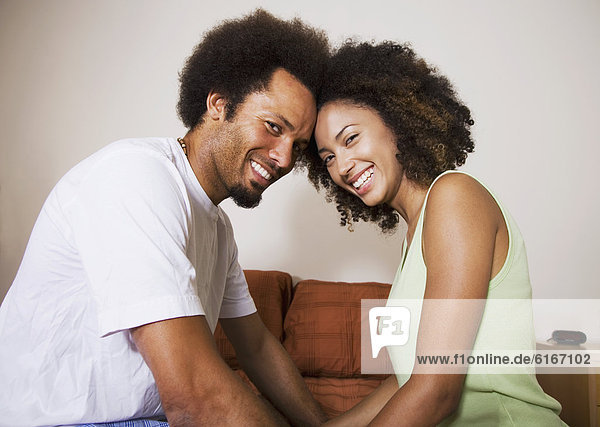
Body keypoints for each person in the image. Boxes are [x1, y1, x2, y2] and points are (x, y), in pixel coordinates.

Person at [0, 9, 329, 426]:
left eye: (297, 146)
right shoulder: (136, 176)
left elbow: (257, 347)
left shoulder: (218, 228)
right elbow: (194, 398)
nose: (284, 159)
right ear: (218, 103)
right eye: (272, 126)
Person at [300, 40, 565, 425]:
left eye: (351, 138)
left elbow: (435, 389)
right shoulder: (414, 237)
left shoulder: (455, 197)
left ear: (397, 123)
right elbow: (404, 381)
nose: (341, 166)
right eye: (327, 158)